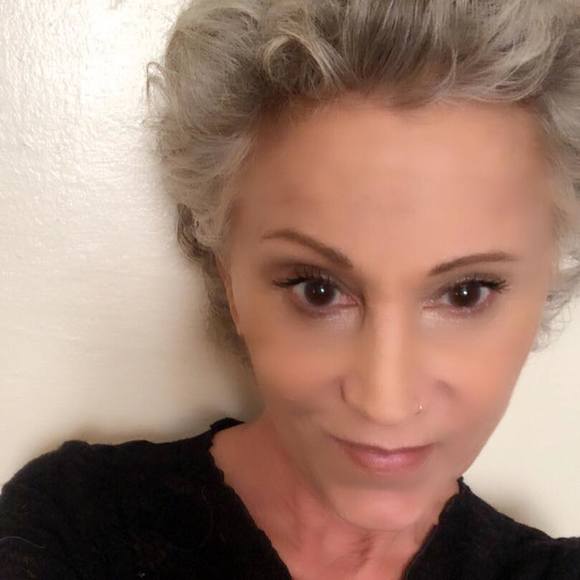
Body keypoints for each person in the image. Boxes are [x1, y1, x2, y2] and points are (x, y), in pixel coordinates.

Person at [1, 0, 580, 578]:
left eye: (466, 294)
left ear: (545, 287)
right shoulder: (74, 528)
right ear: (230, 282)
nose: (385, 401)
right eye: (318, 291)